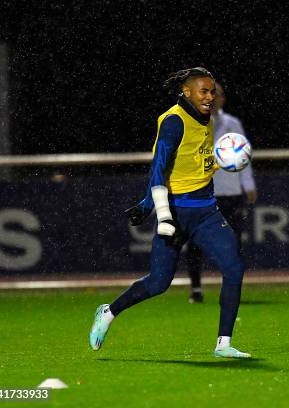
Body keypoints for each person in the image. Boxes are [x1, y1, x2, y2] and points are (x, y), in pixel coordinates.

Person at [89, 67, 251, 358]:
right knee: (158, 283)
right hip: (175, 212)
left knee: (234, 268)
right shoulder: (174, 121)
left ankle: (224, 344)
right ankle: (109, 311)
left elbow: (192, 161)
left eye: (213, 91)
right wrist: (154, 209)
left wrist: (221, 160)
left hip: (206, 211)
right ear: (186, 91)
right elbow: (159, 169)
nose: (210, 96)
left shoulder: (205, 116)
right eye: (204, 91)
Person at [185, 81, 257, 303]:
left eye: (217, 95)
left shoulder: (232, 123)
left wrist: (248, 184)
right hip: (201, 192)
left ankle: (231, 288)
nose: (212, 99)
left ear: (223, 99)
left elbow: (244, 155)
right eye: (207, 94)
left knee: (233, 242)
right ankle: (196, 288)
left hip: (229, 192)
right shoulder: (190, 124)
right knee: (195, 240)